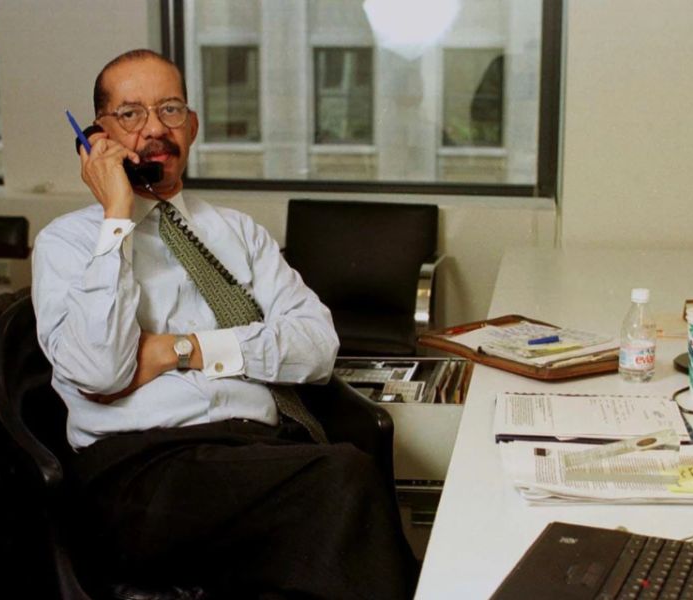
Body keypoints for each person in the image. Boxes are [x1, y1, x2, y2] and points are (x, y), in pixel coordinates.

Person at [32, 48, 417, 599]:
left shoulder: (240, 233)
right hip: (139, 473)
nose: (154, 129)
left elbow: (316, 347)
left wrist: (181, 349)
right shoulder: (69, 244)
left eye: (169, 110)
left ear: (191, 126)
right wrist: (116, 215)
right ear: (99, 136)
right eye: (131, 114)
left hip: (257, 453)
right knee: (344, 481)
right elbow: (100, 370)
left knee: (336, 505)